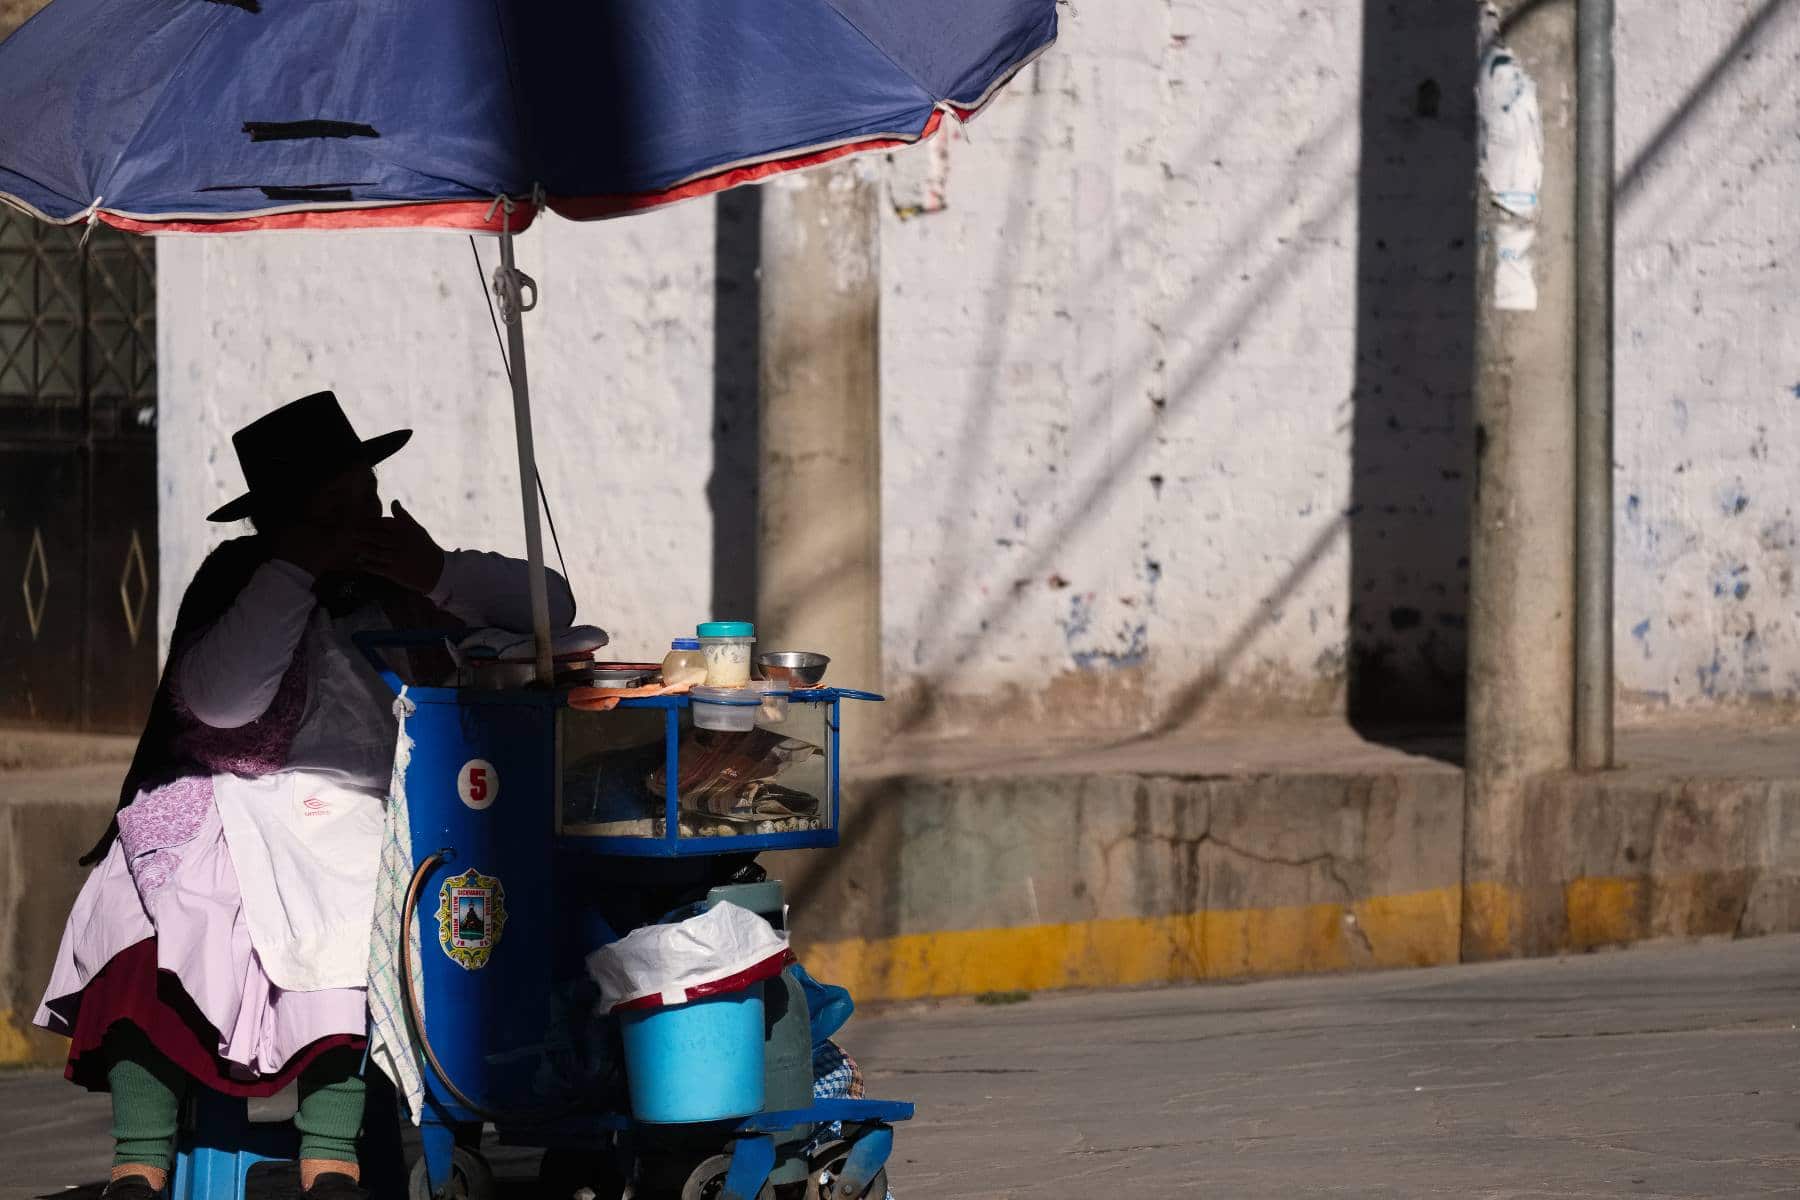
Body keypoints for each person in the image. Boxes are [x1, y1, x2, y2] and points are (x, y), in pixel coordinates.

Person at [34, 391, 575, 1200]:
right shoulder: (242, 580)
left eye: (362, 497)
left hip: (364, 802)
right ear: (282, 520)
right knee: (140, 911)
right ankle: (138, 1164)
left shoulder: (407, 578)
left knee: (357, 912)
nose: (357, 518)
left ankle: (332, 1159)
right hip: (226, 793)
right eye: (333, 508)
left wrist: (430, 570)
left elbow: (553, 608)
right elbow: (220, 703)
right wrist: (298, 569)